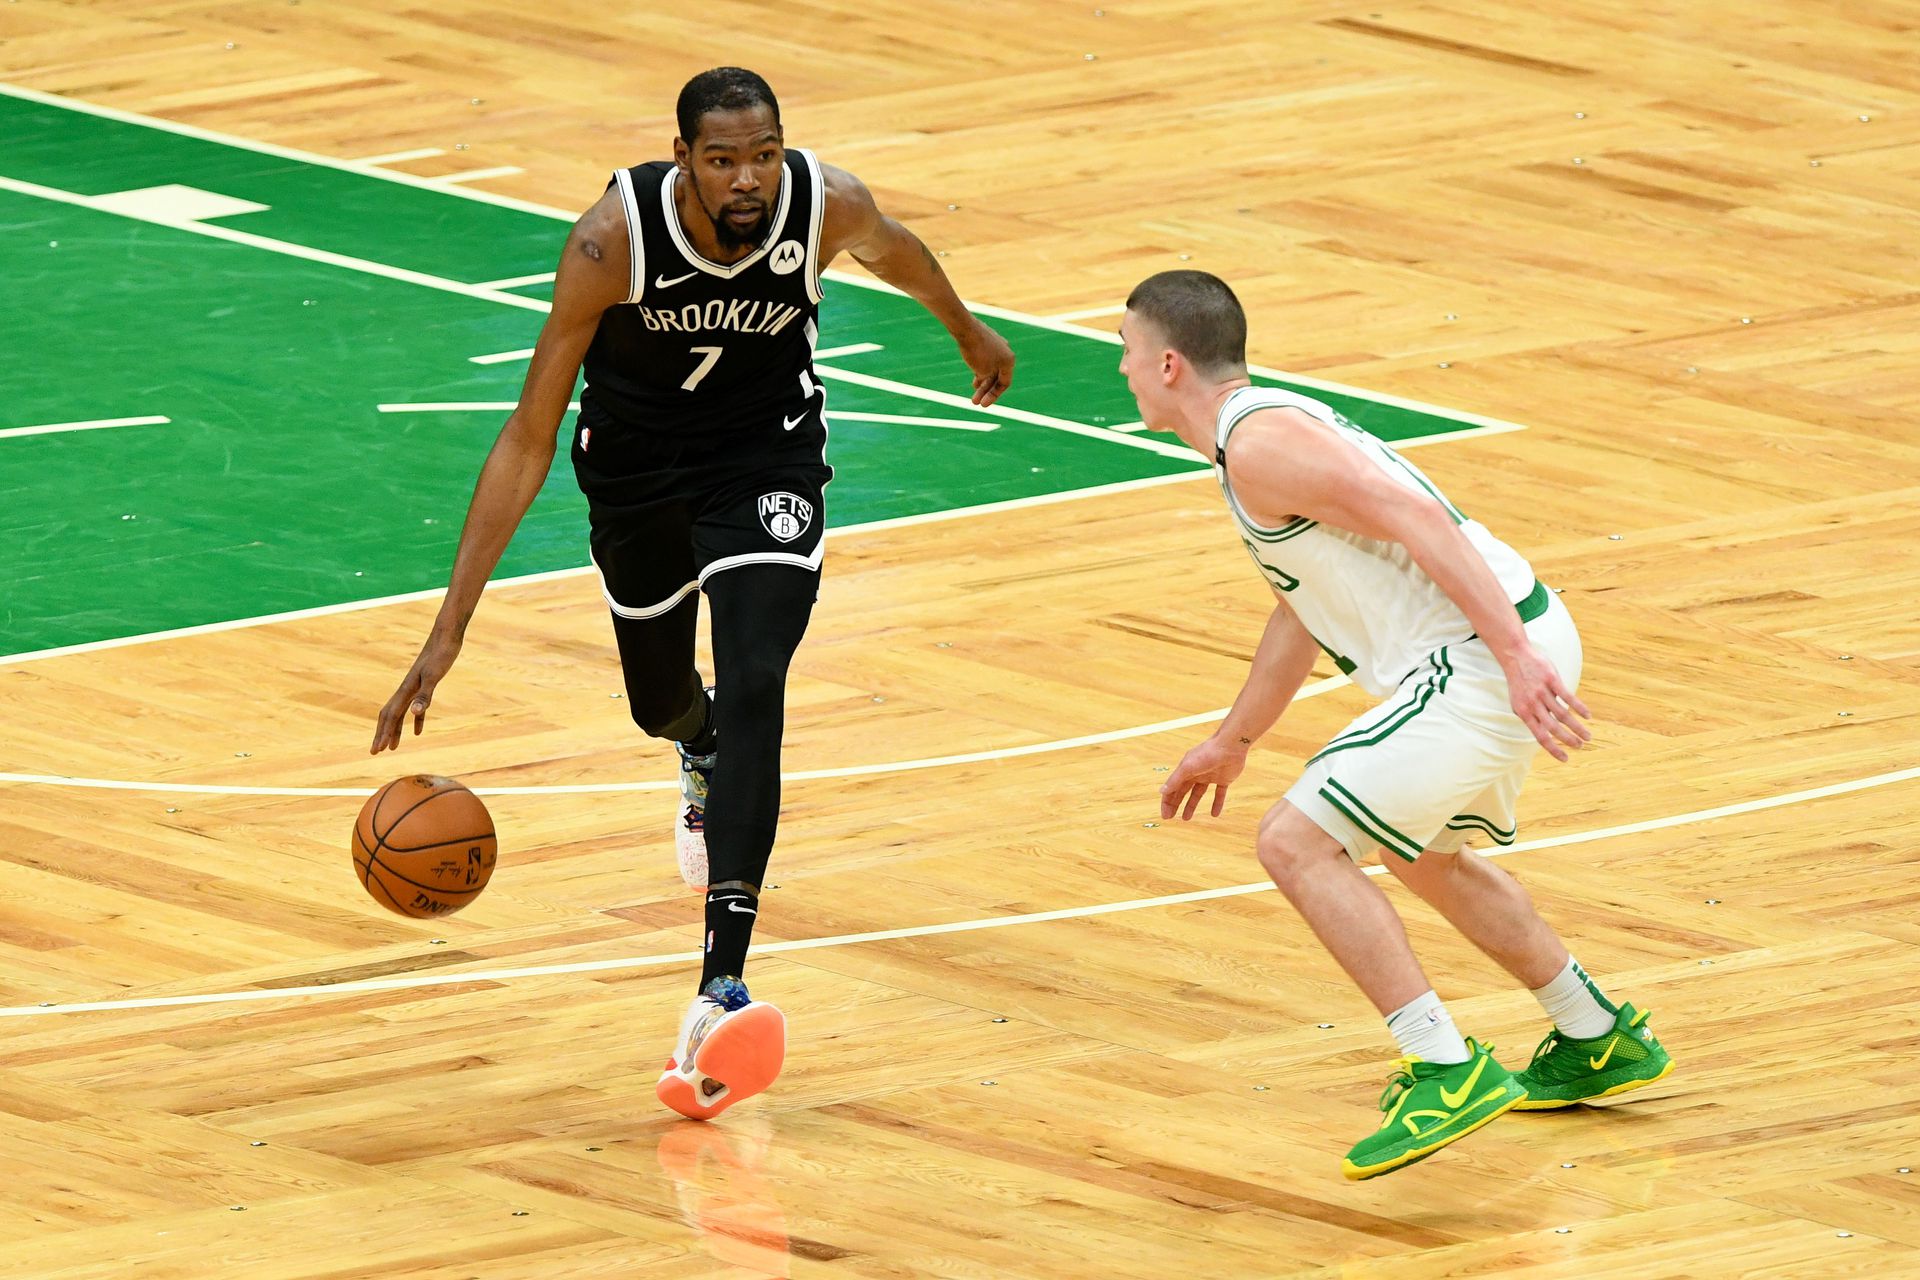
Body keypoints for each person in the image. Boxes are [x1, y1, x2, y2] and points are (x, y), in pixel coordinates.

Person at [371, 67, 1016, 1121]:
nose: (748, 177)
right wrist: (448, 634)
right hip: (635, 481)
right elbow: (530, 432)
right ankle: (697, 747)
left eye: (762, 153)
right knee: (661, 699)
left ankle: (722, 982)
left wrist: (967, 329)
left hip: (765, 463)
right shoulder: (608, 244)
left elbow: (896, 247)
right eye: (722, 159)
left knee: (757, 671)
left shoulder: (823, 202)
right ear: (683, 161)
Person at [1118, 270, 1671, 1180]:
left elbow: (1418, 517)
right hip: (1497, 644)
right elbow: (1300, 609)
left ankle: (1442, 1065)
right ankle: (1597, 1034)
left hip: (1482, 654)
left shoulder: (1258, 444)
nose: (1126, 372)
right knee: (1423, 855)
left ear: (1170, 363)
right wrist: (1234, 740)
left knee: (1295, 843)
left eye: (1129, 355)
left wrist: (1515, 656)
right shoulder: (1252, 438)